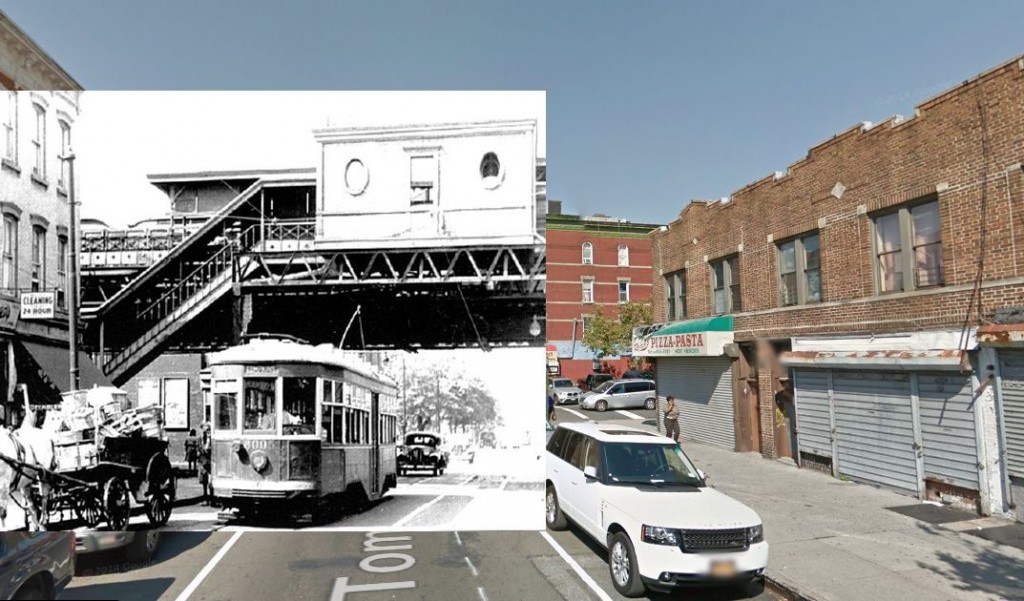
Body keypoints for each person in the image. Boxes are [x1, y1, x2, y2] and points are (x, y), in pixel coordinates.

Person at [198, 422, 213, 505]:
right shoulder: (200, 439)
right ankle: (205, 497)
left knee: (211, 481)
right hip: (203, 462)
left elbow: (211, 448)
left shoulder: (211, 438)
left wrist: (209, 439)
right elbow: (199, 447)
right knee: (204, 481)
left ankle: (212, 498)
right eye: (204, 430)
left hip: (210, 462)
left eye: (208, 430)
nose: (206, 432)